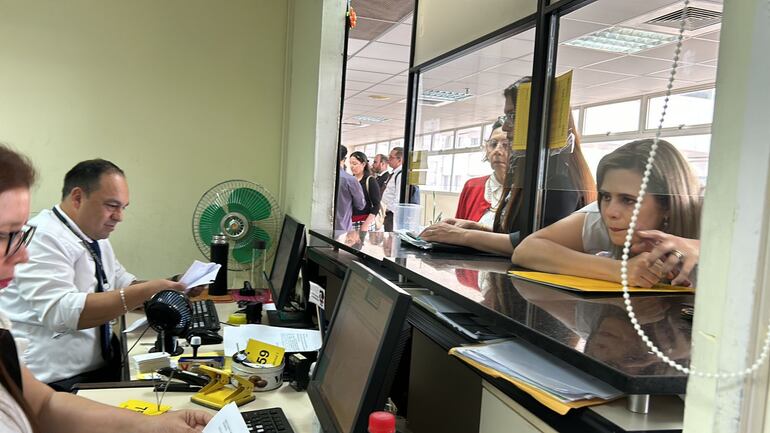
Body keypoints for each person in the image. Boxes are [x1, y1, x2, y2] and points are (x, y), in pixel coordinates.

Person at [0, 144, 211, 433]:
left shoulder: (92, 237)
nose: (23, 254)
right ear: (78, 197)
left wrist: (171, 286)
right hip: (63, 378)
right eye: (6, 234)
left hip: (81, 377)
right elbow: (62, 313)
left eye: (123, 208)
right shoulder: (46, 237)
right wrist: (149, 290)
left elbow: (121, 283)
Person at [420, 77, 596, 255]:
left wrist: (463, 236)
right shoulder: (532, 171)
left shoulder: (559, 176)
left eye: (513, 116)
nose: (505, 127)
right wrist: (477, 228)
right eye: (506, 117)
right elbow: (520, 235)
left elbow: (535, 245)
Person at [512, 139, 702, 287]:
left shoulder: (709, 218)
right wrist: (620, 271)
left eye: (628, 200)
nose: (610, 212)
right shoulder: (602, 217)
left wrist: (704, 249)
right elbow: (527, 250)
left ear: (667, 205)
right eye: (606, 196)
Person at [454, 118, 508, 228]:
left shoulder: (527, 191)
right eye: (493, 144)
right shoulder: (472, 186)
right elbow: (456, 231)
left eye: (506, 144)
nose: (497, 151)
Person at [334, 145, 366, 232]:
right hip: (342, 227)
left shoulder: (319, 176)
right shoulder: (350, 180)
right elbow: (360, 205)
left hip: (319, 227)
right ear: (344, 159)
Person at [348, 152, 382, 231]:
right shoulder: (350, 180)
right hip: (349, 221)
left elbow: (377, 205)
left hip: (364, 222)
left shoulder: (370, 180)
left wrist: (366, 224)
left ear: (363, 164)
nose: (352, 166)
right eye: (350, 163)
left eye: (355, 164)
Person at [380, 147, 403, 232]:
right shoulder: (394, 173)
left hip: (391, 214)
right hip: (386, 213)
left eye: (391, 157)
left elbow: (398, 198)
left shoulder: (400, 175)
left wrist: (387, 209)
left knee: (390, 237)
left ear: (399, 160)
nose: (388, 159)